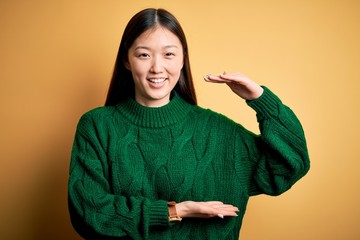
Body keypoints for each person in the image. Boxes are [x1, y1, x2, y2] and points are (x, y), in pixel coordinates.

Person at [68, 8, 310, 240]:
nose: (157, 67)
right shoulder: (97, 127)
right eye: (143, 54)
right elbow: (87, 212)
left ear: (183, 59)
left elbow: (291, 165)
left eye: (169, 54)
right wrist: (176, 211)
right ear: (127, 61)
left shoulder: (220, 133)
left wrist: (260, 99)